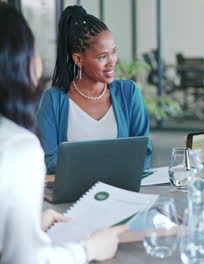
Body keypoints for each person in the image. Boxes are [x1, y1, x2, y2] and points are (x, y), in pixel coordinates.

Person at [0, 3, 128, 263]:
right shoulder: (16, 147)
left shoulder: (127, 93)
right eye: (32, 46)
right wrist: (88, 250)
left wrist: (30, 224)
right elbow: (26, 259)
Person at [37, 5, 152, 174]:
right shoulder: (53, 100)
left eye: (113, 52)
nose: (112, 61)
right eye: (102, 57)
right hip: (72, 197)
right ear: (78, 59)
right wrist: (106, 170)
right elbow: (50, 160)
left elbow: (143, 153)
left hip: (121, 193)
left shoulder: (129, 93)